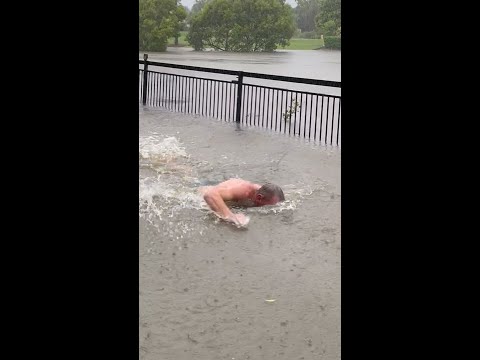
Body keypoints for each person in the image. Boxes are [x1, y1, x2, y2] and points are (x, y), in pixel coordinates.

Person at [200, 178, 285, 226]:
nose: (271, 209)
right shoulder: (243, 191)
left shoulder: (264, 192)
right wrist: (230, 216)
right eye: (269, 206)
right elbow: (209, 195)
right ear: (259, 198)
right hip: (202, 186)